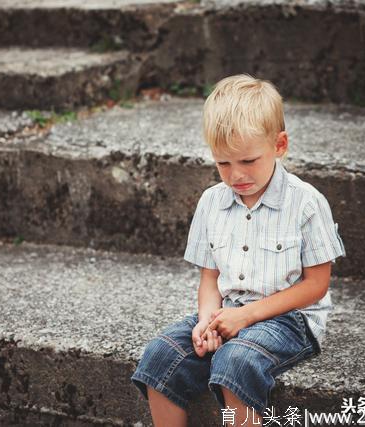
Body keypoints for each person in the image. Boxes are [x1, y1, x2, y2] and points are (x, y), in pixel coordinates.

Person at [130, 74, 346, 426]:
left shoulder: (306, 203)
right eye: (223, 163)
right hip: (228, 311)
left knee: (235, 360)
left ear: (279, 145)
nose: (235, 175)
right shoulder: (212, 202)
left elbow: (315, 285)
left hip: (289, 319)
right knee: (160, 355)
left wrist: (246, 317)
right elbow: (210, 277)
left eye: (248, 161)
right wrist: (206, 320)